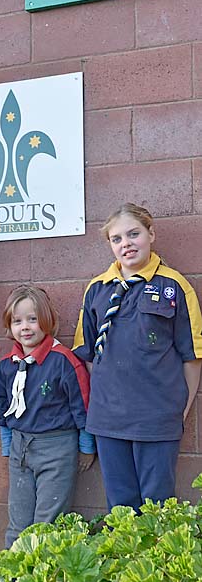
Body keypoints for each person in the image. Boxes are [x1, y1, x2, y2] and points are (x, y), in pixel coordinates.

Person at [73, 203, 202, 512]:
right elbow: (89, 355)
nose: (126, 244)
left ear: (151, 234)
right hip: (109, 420)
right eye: (116, 239)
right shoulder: (97, 289)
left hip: (157, 418)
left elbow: (192, 357)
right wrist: (106, 398)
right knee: (120, 506)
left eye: (134, 234)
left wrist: (180, 410)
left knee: (158, 505)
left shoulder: (175, 286)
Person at [0, 285, 95, 548]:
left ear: (47, 320)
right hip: (20, 449)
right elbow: (3, 409)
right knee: (18, 521)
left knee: (47, 523)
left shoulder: (63, 360)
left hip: (56, 448)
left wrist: (86, 448)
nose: (25, 327)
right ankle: (13, 572)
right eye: (17, 321)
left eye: (32, 319)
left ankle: (44, 574)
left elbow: (82, 406)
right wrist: (8, 447)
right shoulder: (6, 366)